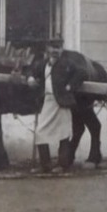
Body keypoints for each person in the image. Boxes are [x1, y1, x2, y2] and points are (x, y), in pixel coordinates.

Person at [33, 38, 73, 175]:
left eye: (59, 48)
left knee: (64, 134)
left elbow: (81, 73)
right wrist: (30, 78)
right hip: (48, 101)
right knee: (40, 132)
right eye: (53, 47)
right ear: (47, 49)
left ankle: (63, 165)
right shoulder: (43, 64)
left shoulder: (67, 64)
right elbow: (32, 71)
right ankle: (46, 165)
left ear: (62, 50)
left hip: (62, 102)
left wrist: (70, 86)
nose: (56, 51)